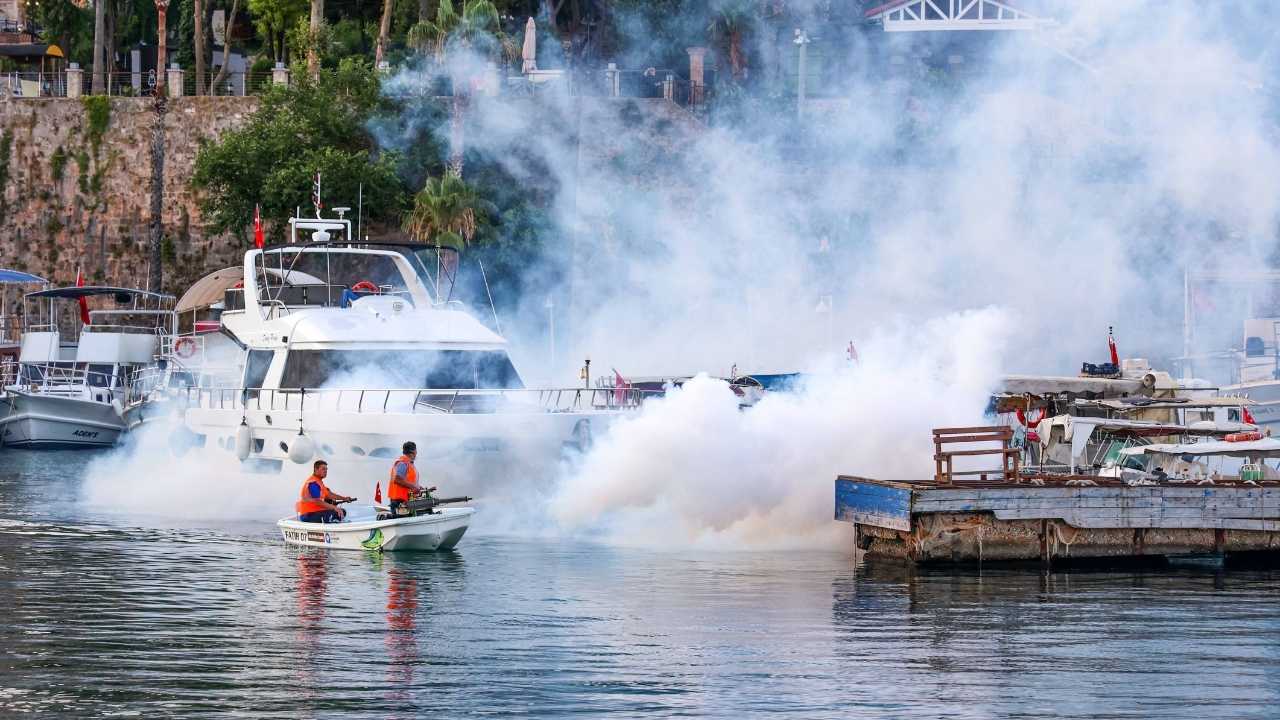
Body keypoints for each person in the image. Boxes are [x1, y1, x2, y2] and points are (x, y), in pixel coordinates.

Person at [388, 441, 434, 515]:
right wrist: (413, 487)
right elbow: (397, 479)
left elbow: (410, 481)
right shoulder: (403, 463)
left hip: (406, 501)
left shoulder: (409, 464)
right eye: (416, 450)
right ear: (413, 451)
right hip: (399, 502)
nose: (416, 453)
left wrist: (422, 489)